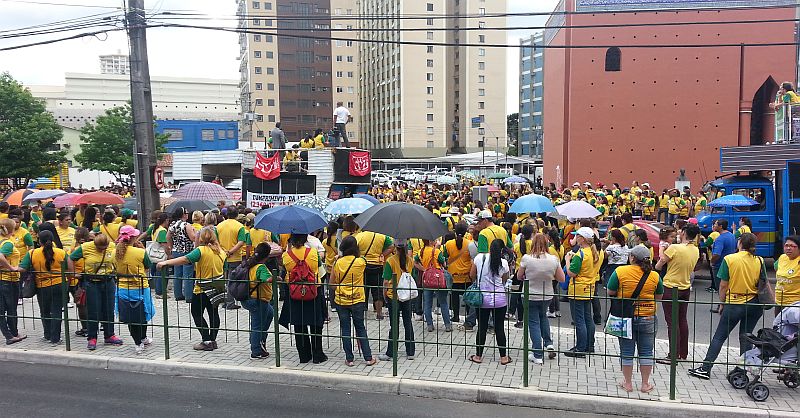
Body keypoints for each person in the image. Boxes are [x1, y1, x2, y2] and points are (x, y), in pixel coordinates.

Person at [689, 233, 766, 380]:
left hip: (735, 302)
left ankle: (706, 367)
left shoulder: (730, 259)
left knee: (720, 336)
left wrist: (722, 302)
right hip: (754, 303)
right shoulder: (759, 260)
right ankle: (742, 371)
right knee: (746, 337)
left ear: (740, 243)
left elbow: (723, 285)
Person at [158, 227, 225, 351]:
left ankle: (206, 340)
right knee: (213, 313)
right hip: (218, 286)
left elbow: (184, 259)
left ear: (201, 238)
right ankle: (213, 340)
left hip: (203, 288)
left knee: (196, 313)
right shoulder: (220, 250)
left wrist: (166, 263)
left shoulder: (201, 250)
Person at [607, 245, 663, 393]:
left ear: (632, 258)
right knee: (646, 351)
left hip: (625, 317)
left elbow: (610, 291)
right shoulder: (655, 275)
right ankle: (645, 384)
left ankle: (628, 383)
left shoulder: (620, 271)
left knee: (626, 351)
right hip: (648, 316)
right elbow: (659, 296)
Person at [655, 224, 700, 364]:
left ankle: (672, 355)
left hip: (671, 286)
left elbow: (660, 263)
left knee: (672, 322)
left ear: (685, 233)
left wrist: (659, 260)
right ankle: (682, 352)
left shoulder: (675, 248)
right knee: (682, 320)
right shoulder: (696, 250)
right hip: (685, 286)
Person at [69, 233, 123, 350]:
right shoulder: (85, 247)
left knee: (109, 309)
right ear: (95, 244)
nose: (102, 250)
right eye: (99, 248)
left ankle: (109, 335)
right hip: (92, 283)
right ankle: (92, 337)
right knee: (93, 311)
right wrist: (73, 273)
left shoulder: (112, 246)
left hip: (108, 281)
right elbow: (70, 258)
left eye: (104, 248)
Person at [279, 234, 327, 364]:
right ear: (306, 239)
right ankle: (318, 354)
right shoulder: (313, 252)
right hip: (313, 290)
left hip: (294, 292)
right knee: (316, 324)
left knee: (299, 325)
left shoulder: (286, 255)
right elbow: (318, 266)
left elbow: (284, 271)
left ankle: (304, 355)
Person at [518, 233, 565, 364]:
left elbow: (519, 276)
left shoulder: (526, 258)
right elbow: (561, 278)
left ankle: (537, 354)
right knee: (543, 317)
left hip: (530, 294)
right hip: (547, 294)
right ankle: (548, 343)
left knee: (533, 323)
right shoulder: (554, 259)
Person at [331, 236, 376, 366]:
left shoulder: (338, 263)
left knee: (345, 329)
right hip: (358, 300)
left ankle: (349, 359)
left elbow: (332, 284)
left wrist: (341, 286)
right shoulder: (361, 262)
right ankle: (368, 358)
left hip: (341, 300)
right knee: (360, 328)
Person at [19, 230, 66, 345]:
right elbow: (70, 268)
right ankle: (55, 338)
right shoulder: (61, 252)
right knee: (56, 311)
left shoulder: (32, 253)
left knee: (45, 311)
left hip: (42, 286)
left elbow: (23, 268)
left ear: (39, 241)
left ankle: (47, 334)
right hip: (59, 284)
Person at [469, 239, 512, 365]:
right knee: (499, 328)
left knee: (481, 327)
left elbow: (472, 274)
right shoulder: (503, 262)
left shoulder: (479, 258)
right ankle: (503, 357)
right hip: (499, 299)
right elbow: (505, 278)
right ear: (502, 250)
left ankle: (478, 356)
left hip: (483, 299)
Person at [113, 226, 155, 354]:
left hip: (123, 288)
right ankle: (143, 337)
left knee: (129, 317)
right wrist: (142, 249)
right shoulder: (140, 252)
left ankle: (137, 342)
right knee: (143, 314)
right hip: (140, 288)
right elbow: (148, 266)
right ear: (133, 238)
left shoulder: (115, 252)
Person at [379, 241, 416, 361]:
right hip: (406, 295)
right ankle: (410, 352)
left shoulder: (390, 260)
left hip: (393, 295)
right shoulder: (410, 260)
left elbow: (386, 281)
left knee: (394, 324)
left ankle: (391, 352)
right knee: (408, 323)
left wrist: (384, 293)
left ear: (395, 247)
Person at [565, 227, 598, 357]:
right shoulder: (592, 251)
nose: (575, 238)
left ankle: (580, 348)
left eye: (576, 236)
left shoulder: (580, 254)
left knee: (579, 320)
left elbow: (571, 272)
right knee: (588, 318)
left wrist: (568, 260)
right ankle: (589, 345)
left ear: (582, 239)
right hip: (589, 288)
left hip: (578, 289)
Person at [241, 243, 275, 359]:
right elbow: (268, 279)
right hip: (258, 299)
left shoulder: (250, 264)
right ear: (267, 255)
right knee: (257, 325)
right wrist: (276, 277)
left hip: (250, 298)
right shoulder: (261, 267)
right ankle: (256, 351)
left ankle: (260, 339)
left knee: (270, 314)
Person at [355, 229, 393, 320]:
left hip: (363, 265)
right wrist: (382, 254)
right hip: (377, 266)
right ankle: (379, 314)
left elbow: (354, 249)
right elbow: (391, 246)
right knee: (378, 290)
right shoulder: (382, 236)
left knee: (363, 289)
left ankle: (362, 312)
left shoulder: (359, 236)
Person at [415, 239, 451, 332]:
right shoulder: (437, 251)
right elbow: (444, 264)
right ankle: (447, 325)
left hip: (426, 279)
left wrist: (424, 269)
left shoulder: (420, 251)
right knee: (443, 302)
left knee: (427, 303)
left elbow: (415, 262)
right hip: (438, 279)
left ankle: (430, 325)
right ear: (431, 241)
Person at [443, 223, 474, 328]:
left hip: (453, 275)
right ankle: (469, 317)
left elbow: (445, 257)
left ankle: (455, 316)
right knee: (468, 297)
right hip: (466, 275)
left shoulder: (448, 244)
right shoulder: (470, 243)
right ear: (466, 232)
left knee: (454, 296)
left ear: (455, 231)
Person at [0, 218, 25, 345]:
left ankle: (13, 333)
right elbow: (0, 257)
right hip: (8, 280)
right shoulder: (7, 243)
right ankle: (10, 335)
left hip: (4, 279)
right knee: (10, 309)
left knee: (5, 309)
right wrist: (11, 268)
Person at [217, 207, 247, 310]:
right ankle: (230, 302)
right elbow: (241, 242)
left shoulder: (219, 226)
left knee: (223, 280)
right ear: (237, 214)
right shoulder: (240, 226)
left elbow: (216, 241)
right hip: (235, 257)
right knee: (232, 280)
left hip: (221, 257)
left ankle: (224, 300)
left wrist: (223, 251)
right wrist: (231, 251)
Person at [167, 207, 197, 303]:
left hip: (176, 251)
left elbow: (168, 236)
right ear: (183, 214)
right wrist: (195, 232)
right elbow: (193, 238)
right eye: (187, 213)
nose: (188, 215)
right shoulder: (186, 225)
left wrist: (171, 247)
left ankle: (178, 295)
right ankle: (189, 296)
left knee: (177, 274)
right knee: (188, 274)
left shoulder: (173, 224)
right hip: (187, 251)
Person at [708, 219, 737, 312]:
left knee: (720, 286)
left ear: (720, 226)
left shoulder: (720, 239)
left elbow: (717, 254)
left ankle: (722, 305)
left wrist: (712, 262)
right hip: (730, 264)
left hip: (720, 265)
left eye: (715, 224)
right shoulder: (731, 236)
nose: (714, 226)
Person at [775, 236, 800, 309]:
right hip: (779, 302)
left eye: (792, 246)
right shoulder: (782, 257)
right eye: (786, 245)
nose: (788, 248)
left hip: (795, 305)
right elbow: (776, 268)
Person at [150, 212, 170, 298]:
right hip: (161, 255)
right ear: (166, 220)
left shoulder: (155, 228)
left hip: (154, 254)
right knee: (162, 273)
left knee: (156, 272)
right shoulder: (162, 231)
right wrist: (169, 254)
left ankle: (159, 290)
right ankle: (160, 292)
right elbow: (164, 245)